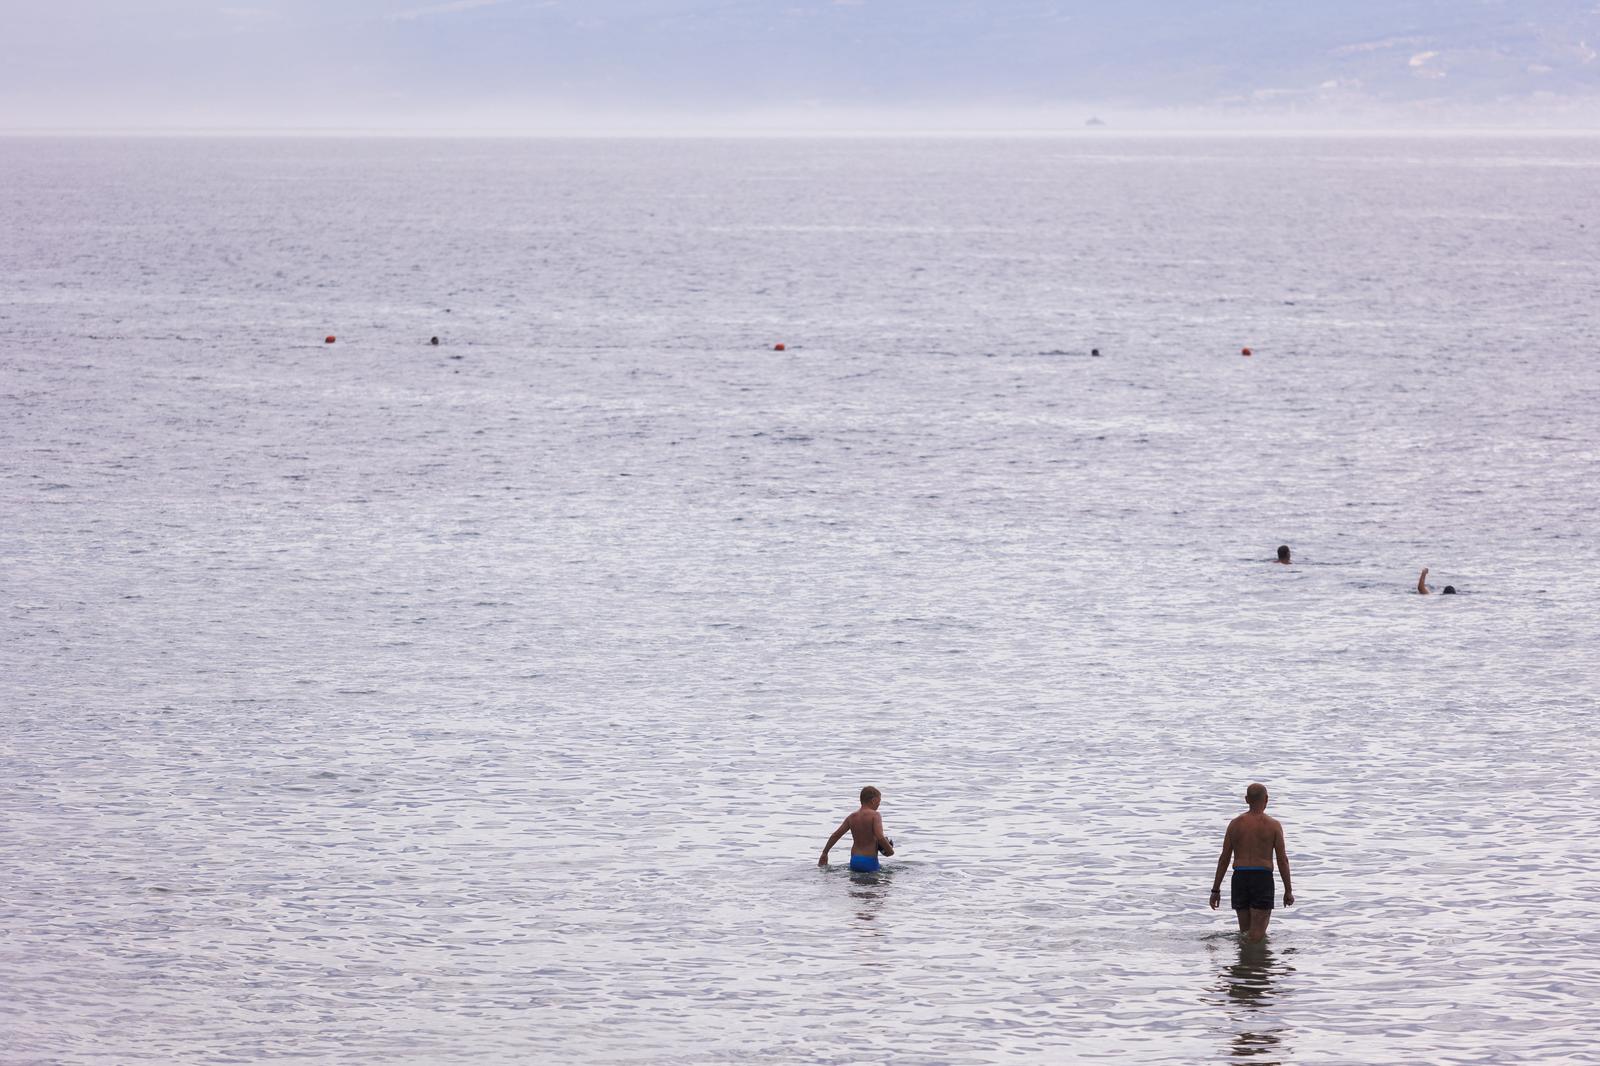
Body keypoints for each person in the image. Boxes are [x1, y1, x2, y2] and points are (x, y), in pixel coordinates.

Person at [1210, 783, 1294, 942]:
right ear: (1267, 799)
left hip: (1240, 878)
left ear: (1246, 799)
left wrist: (1215, 890)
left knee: (1245, 932)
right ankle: (1255, 964)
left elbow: (1224, 859)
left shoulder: (1234, 824)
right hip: (1262, 878)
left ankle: (1244, 965)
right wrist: (1288, 890)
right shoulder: (1273, 826)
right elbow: (1282, 860)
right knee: (1257, 935)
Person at [819, 786, 895, 872]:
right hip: (869, 861)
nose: (879, 804)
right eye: (879, 801)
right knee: (877, 884)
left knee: (856, 882)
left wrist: (825, 853)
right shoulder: (875, 815)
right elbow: (880, 836)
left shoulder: (852, 817)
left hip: (854, 861)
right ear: (873, 800)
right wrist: (890, 851)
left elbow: (836, 835)